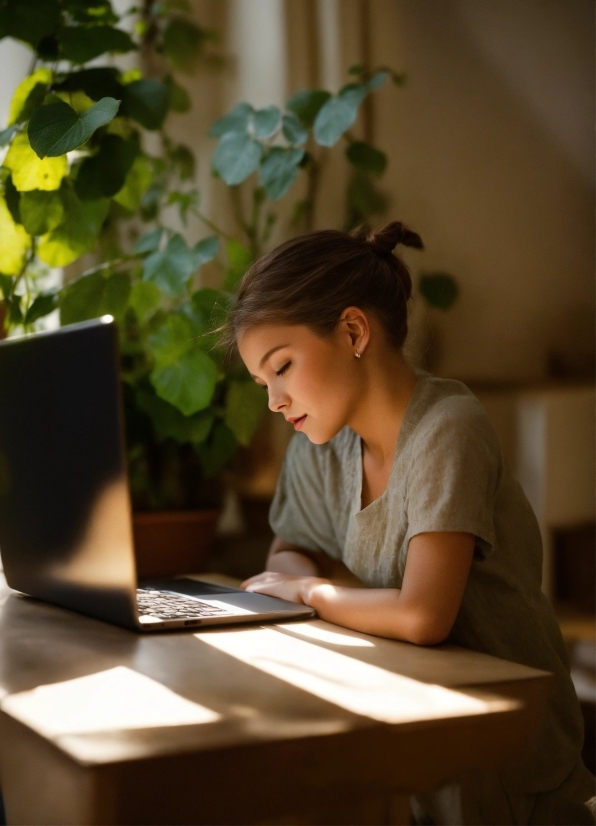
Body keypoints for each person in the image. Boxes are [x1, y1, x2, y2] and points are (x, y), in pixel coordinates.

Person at [222, 220, 595, 825]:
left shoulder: (449, 428)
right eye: (263, 382)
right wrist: (293, 579)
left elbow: (423, 615)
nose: (274, 401)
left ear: (352, 330)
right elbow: (288, 552)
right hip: (414, 719)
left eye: (282, 367)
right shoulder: (320, 445)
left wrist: (307, 592)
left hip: (506, 753)